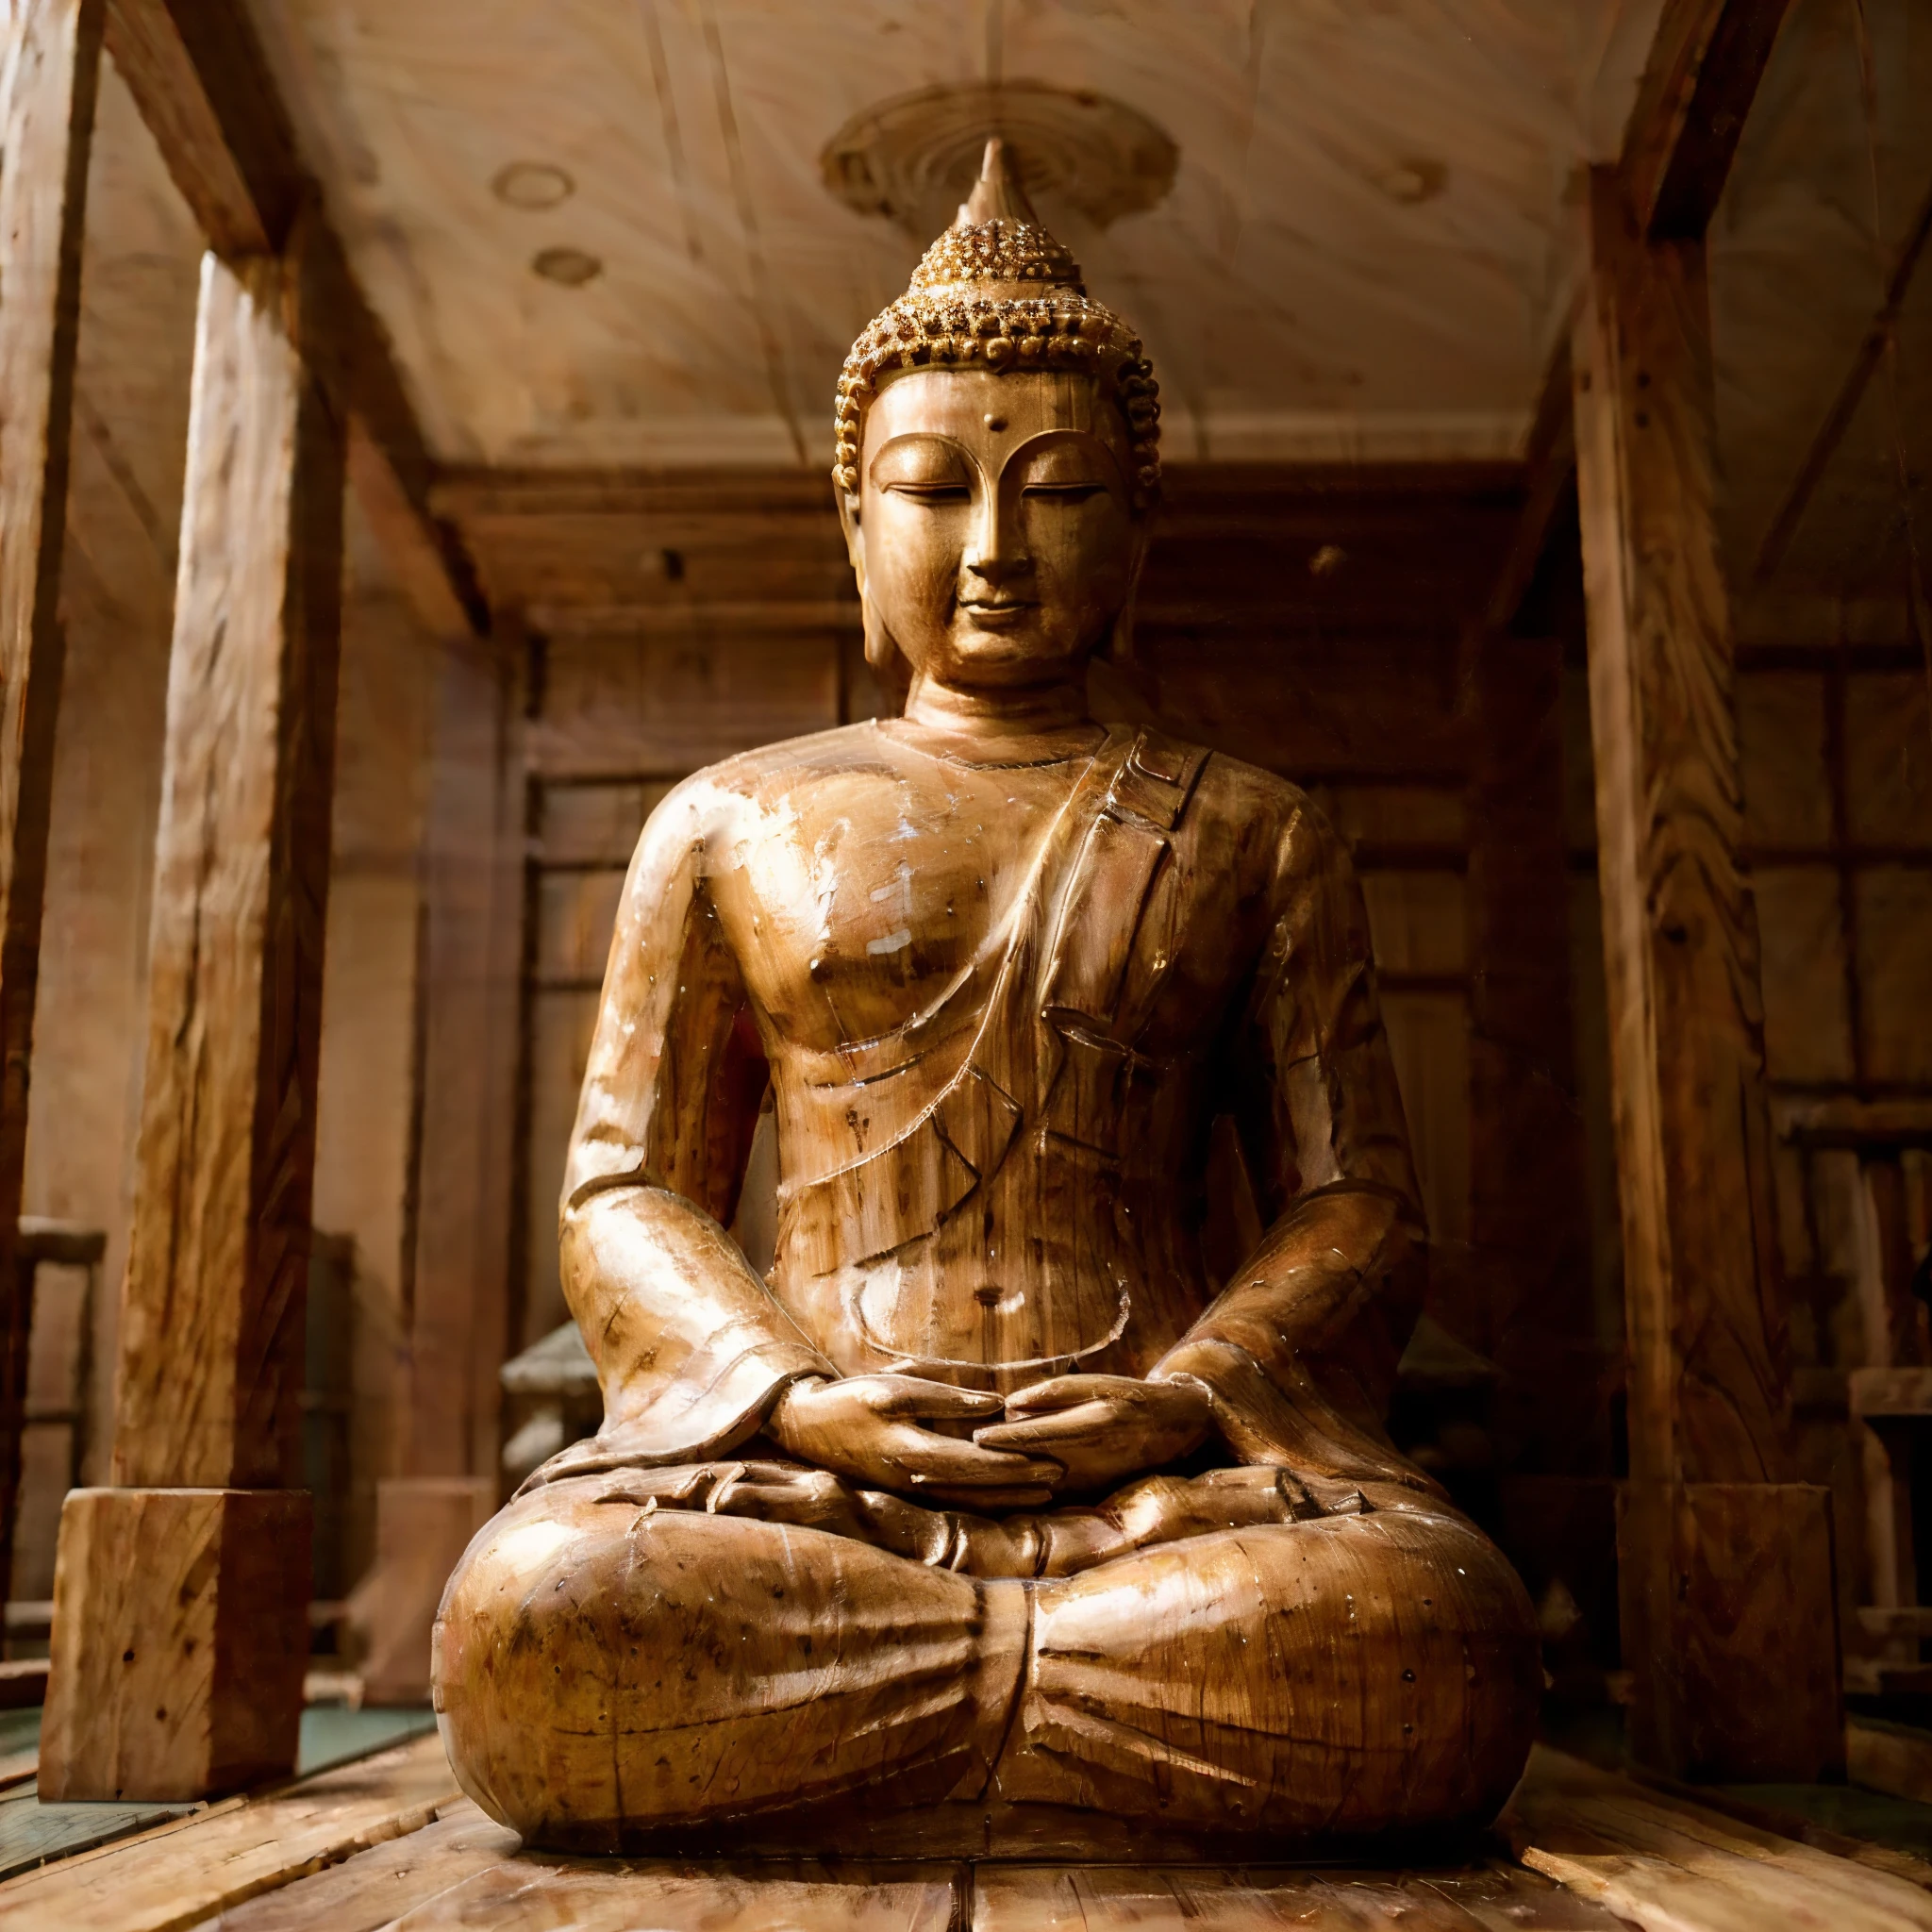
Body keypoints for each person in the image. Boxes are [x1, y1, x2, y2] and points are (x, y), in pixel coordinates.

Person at [434, 140, 1539, 1853]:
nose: (999, 545)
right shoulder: (732, 818)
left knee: (1435, 1625)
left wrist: (1187, 1396)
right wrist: (795, 1396)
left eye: (1065, 492)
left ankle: (919, 1717)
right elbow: (627, 1186)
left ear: (1142, 525)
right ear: (853, 514)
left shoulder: (1253, 827)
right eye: (936, 487)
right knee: (542, 1609)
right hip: (822, 1486)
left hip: (1166, 1484)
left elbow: (1358, 1201)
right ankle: (1069, 1709)